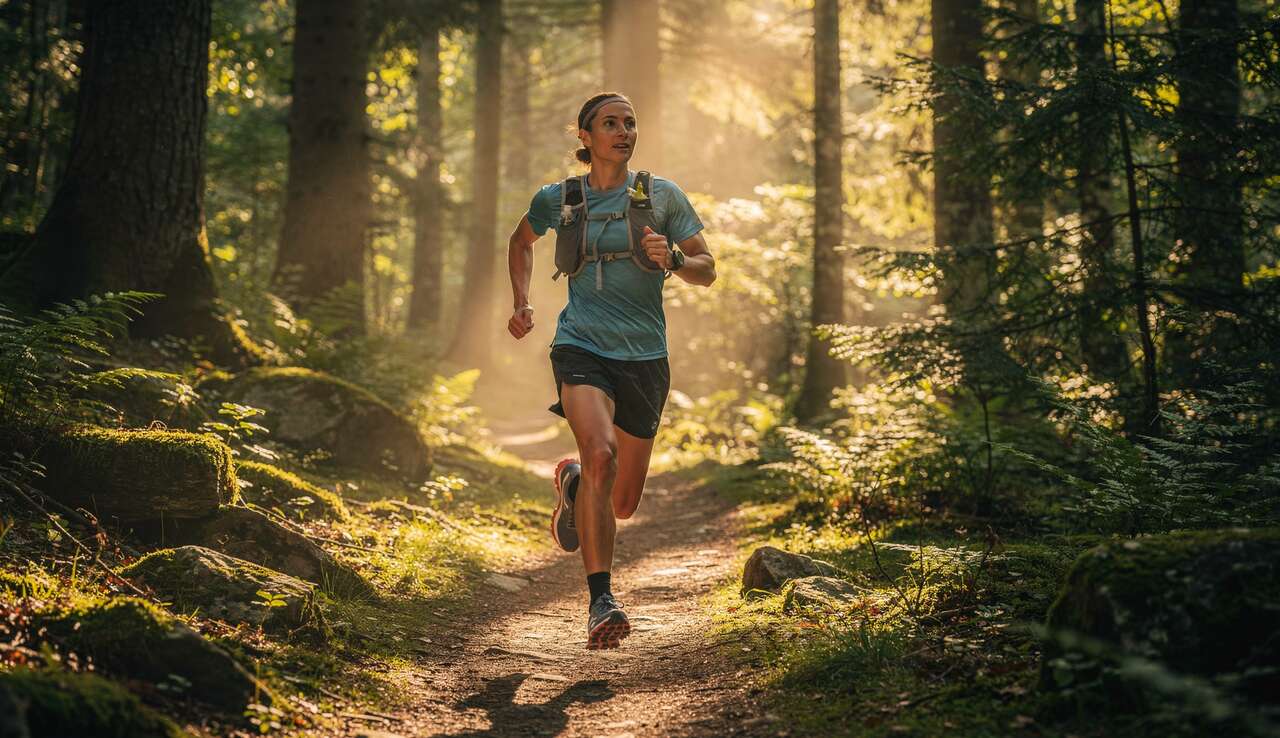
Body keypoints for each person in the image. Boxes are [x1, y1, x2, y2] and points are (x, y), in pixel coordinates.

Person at [505, 92, 716, 649]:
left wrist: (672, 258)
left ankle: (573, 484)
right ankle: (602, 600)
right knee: (601, 453)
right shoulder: (561, 198)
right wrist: (522, 300)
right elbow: (520, 241)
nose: (623, 131)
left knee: (620, 501)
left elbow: (707, 268)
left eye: (630, 122)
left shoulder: (662, 196)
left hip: (645, 357)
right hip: (581, 346)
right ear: (585, 136)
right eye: (610, 123)